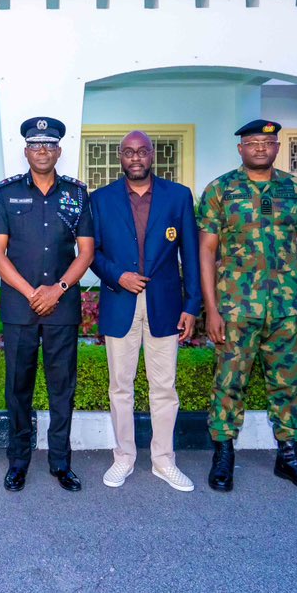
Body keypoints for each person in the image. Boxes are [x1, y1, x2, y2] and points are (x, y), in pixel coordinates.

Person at [197, 119, 297, 494]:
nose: (259, 148)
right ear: (240, 148)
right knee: (228, 383)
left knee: (288, 384)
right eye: (252, 142)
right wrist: (212, 309)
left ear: (277, 148)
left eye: (267, 142)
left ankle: (288, 455)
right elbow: (206, 251)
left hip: (288, 307)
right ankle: (223, 453)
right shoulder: (221, 189)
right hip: (235, 308)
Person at [90, 130, 201, 492]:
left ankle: (163, 460)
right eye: (128, 152)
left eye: (142, 152)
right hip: (120, 300)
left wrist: (192, 305)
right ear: (120, 157)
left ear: (152, 155)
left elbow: (192, 256)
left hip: (164, 304)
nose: (135, 158)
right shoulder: (101, 199)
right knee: (120, 387)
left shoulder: (178, 196)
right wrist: (117, 275)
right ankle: (123, 457)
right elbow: (93, 254)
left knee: (164, 387)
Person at [0, 116, 94, 492]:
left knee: (61, 387)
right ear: (26, 151)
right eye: (36, 145)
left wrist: (57, 289)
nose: (43, 151)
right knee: (18, 387)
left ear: (59, 151)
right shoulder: (7, 193)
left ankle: (61, 463)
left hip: (62, 307)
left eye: (49, 145)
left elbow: (86, 252)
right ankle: (18, 462)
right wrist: (33, 292)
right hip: (19, 308)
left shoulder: (77, 194)